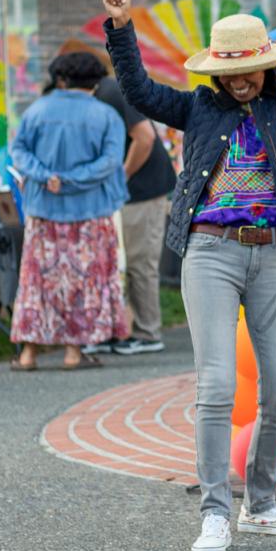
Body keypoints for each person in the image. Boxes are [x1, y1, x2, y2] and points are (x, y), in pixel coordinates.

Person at [103, 0, 276, 551]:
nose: (241, 81)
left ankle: (263, 504)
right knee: (217, 384)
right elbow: (139, 90)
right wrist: (123, 27)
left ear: (266, 64)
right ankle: (215, 512)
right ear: (218, 72)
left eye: (251, 69)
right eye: (232, 72)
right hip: (211, 251)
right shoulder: (198, 107)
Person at [8, 52, 130, 372]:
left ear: (61, 79)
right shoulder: (106, 116)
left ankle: (28, 354)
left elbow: (18, 151)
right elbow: (110, 161)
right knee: (81, 280)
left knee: (37, 280)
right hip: (90, 211)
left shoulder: (36, 110)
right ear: (96, 82)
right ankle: (74, 353)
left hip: (43, 210)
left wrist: (46, 176)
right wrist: (73, 181)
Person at [94, 50, 179, 355]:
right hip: (129, 189)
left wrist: (121, 176)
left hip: (144, 188)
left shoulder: (109, 91)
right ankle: (124, 329)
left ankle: (147, 332)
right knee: (122, 262)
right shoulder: (102, 93)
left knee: (141, 261)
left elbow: (144, 138)